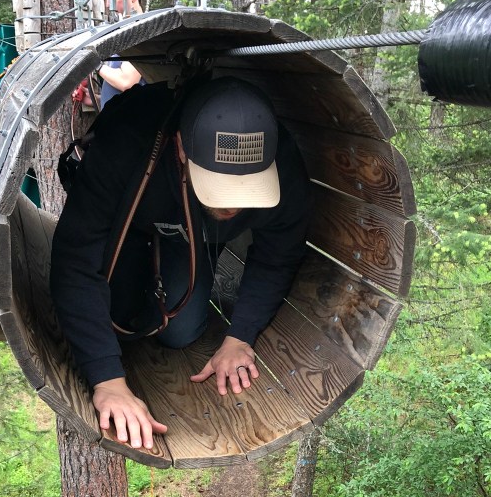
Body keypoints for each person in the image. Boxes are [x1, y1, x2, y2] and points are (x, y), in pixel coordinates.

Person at [50, 76, 311, 451]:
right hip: (129, 222)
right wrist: (107, 381)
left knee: (180, 332)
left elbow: (279, 253)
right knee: (118, 314)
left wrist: (240, 337)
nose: (234, 204)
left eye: (247, 189)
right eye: (220, 187)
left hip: (191, 237)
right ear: (181, 148)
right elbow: (75, 260)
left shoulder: (283, 163)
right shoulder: (126, 142)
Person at [98, 0, 146, 106]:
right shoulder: (124, 31)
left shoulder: (141, 30)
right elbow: (120, 94)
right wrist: (93, 99)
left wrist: (95, 66)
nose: (108, 4)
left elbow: (127, 82)